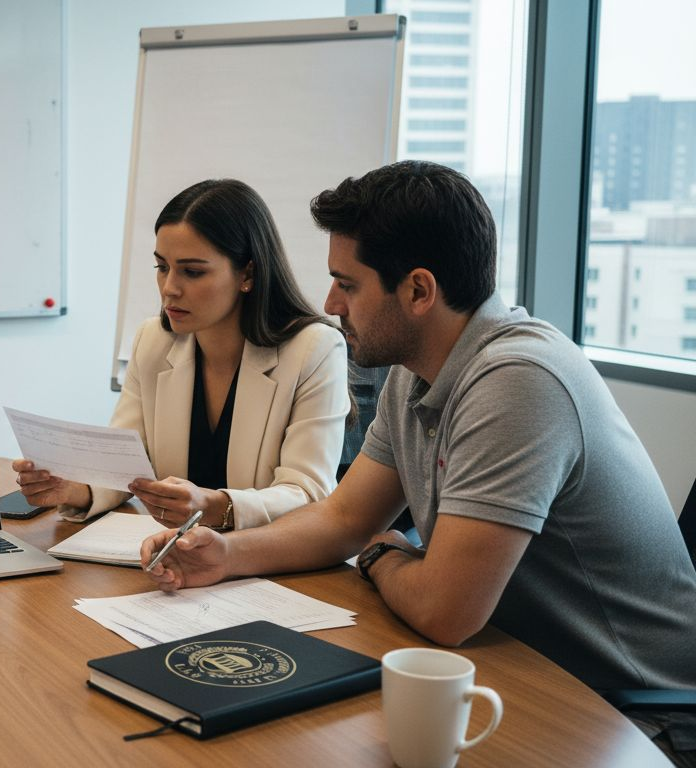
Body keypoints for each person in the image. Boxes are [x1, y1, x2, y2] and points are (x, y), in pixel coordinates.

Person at [141, 161, 696, 763]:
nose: (330, 304)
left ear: (418, 291)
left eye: (347, 285)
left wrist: (378, 554)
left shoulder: (518, 382)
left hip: (636, 715)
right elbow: (343, 520)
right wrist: (225, 556)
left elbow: (443, 611)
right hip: (514, 671)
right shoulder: (418, 371)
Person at [15, 179, 350, 531]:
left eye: (192, 272)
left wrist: (218, 506)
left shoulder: (314, 349)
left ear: (247, 273)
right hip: (177, 560)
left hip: (265, 563)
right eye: (162, 267)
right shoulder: (153, 341)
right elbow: (125, 467)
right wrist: (75, 489)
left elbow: (309, 493)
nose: (170, 288)